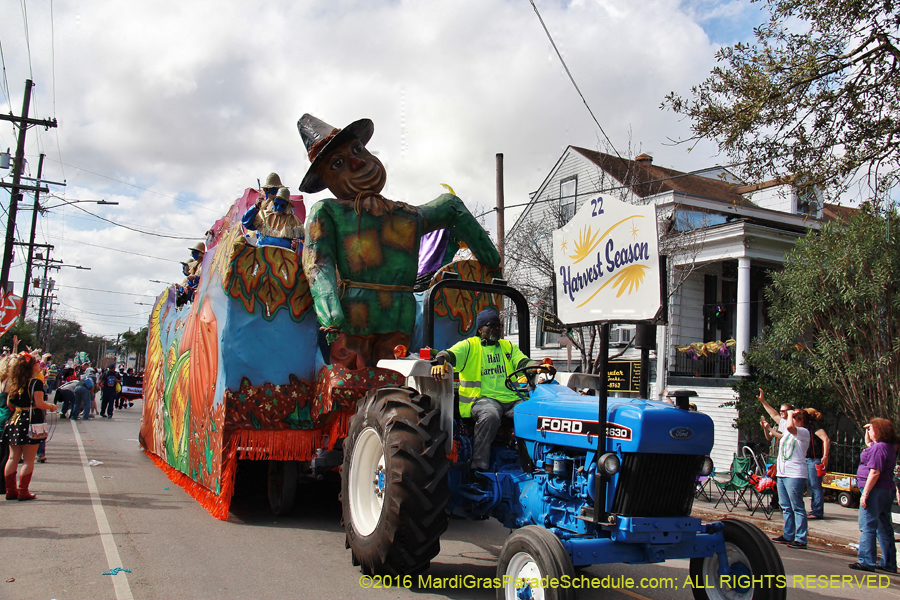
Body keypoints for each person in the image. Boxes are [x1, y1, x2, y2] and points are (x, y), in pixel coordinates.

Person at [297, 113, 501, 369]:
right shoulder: (330, 212)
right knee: (356, 377)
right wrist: (331, 313)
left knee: (390, 374)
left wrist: (492, 262)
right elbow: (318, 263)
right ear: (326, 179)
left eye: (357, 149)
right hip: (360, 315)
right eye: (338, 163)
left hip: (387, 312)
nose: (357, 162)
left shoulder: (405, 214)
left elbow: (450, 206)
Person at [431, 309, 554, 472]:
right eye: (492, 326)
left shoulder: (508, 347)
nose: (497, 329)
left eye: (499, 326)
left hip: (512, 399)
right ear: (480, 329)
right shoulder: (469, 346)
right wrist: (441, 361)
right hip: (481, 399)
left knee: (533, 414)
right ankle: (479, 466)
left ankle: (532, 462)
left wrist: (538, 367)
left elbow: (523, 362)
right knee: (490, 415)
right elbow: (449, 355)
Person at [758, 389, 809, 549]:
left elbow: (790, 425)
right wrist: (763, 402)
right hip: (782, 473)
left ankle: (801, 538)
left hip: (795, 474)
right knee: (785, 506)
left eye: (793, 417)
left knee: (797, 506)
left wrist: (792, 413)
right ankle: (788, 534)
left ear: (800, 420)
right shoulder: (787, 432)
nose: (787, 418)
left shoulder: (803, 432)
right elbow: (774, 416)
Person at [2, 352, 57, 500]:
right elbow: (39, 403)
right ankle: (23, 491)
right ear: (32, 366)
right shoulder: (35, 383)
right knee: (28, 459)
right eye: (36, 363)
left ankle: (10, 490)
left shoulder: (14, 381)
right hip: (31, 421)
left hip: (15, 420)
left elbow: (9, 403)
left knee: (13, 458)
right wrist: (51, 406)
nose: (38, 365)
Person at [850, 418, 898, 573]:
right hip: (886, 490)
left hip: (875, 490)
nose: (869, 432)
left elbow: (875, 472)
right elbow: (868, 442)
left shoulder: (879, 448)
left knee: (867, 525)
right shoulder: (888, 447)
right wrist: (868, 430)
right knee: (884, 526)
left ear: (878, 431)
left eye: (871, 429)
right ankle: (889, 562)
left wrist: (865, 493)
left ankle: (866, 560)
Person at [242, 182, 305, 250]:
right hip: (261, 252)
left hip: (283, 254)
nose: (278, 208)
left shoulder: (293, 221)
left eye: (282, 206)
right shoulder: (264, 215)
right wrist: (255, 207)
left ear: (287, 206)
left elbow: (303, 243)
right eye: (276, 204)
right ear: (272, 203)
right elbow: (246, 223)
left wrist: (296, 245)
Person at [804, 408, 831, 519]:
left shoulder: (815, 427)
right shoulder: (808, 427)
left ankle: (817, 511)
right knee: (811, 485)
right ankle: (814, 509)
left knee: (815, 486)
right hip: (809, 459)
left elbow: (826, 439)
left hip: (814, 459)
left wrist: (825, 455)